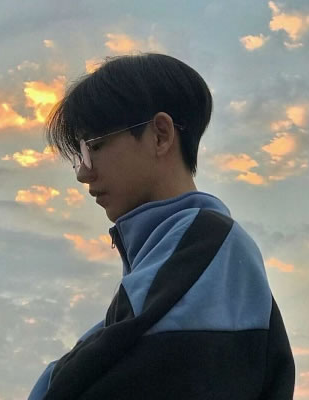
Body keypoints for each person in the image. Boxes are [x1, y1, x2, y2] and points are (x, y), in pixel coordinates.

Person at [29, 53, 295, 399]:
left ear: (160, 135)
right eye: (79, 155)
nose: (83, 172)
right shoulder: (182, 256)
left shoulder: (209, 246)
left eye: (93, 146)